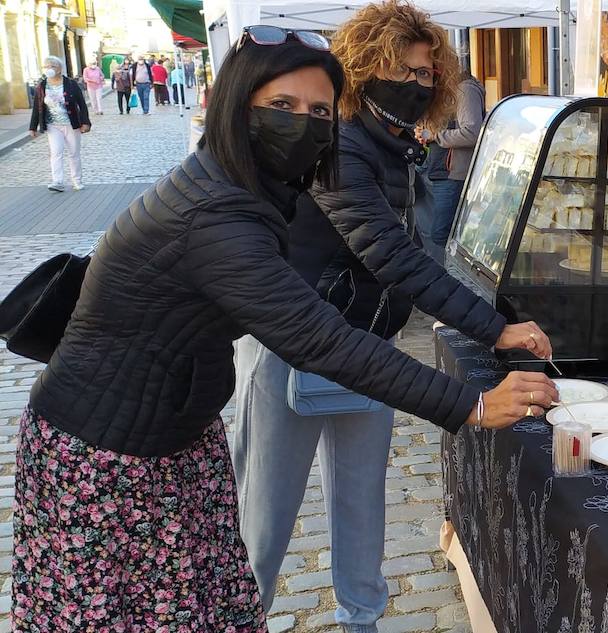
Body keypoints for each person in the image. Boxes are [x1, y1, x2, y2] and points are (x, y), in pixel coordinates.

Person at [10, 28, 557, 631]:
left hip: (176, 437)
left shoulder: (256, 185)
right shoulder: (216, 212)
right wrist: (472, 403)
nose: (304, 122)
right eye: (282, 106)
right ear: (237, 106)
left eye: (318, 110)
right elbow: (321, 333)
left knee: (218, 599)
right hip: (106, 460)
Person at [232, 5, 555, 632]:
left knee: (362, 505)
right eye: (402, 70)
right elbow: (393, 255)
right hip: (291, 348)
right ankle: (243, 618)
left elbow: (416, 253)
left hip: (367, 343)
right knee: (263, 519)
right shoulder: (337, 143)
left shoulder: (397, 144)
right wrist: (493, 327)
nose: (417, 83)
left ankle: (364, 622)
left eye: (428, 73)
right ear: (362, 68)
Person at [415, 66, 486, 260]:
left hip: (453, 174)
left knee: (442, 233)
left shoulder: (465, 89)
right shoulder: (447, 92)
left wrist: (435, 135)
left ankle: (451, 277)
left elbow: (472, 132)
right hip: (439, 170)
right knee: (437, 231)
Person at [28, 56, 90, 193]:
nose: (49, 69)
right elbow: (37, 107)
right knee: (56, 152)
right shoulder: (42, 86)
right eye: (46, 66)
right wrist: (33, 127)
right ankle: (58, 181)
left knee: (74, 153)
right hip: (52, 125)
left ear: (60, 69)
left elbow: (82, 104)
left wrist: (85, 122)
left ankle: (77, 180)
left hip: (71, 124)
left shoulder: (70, 84)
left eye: (53, 66)